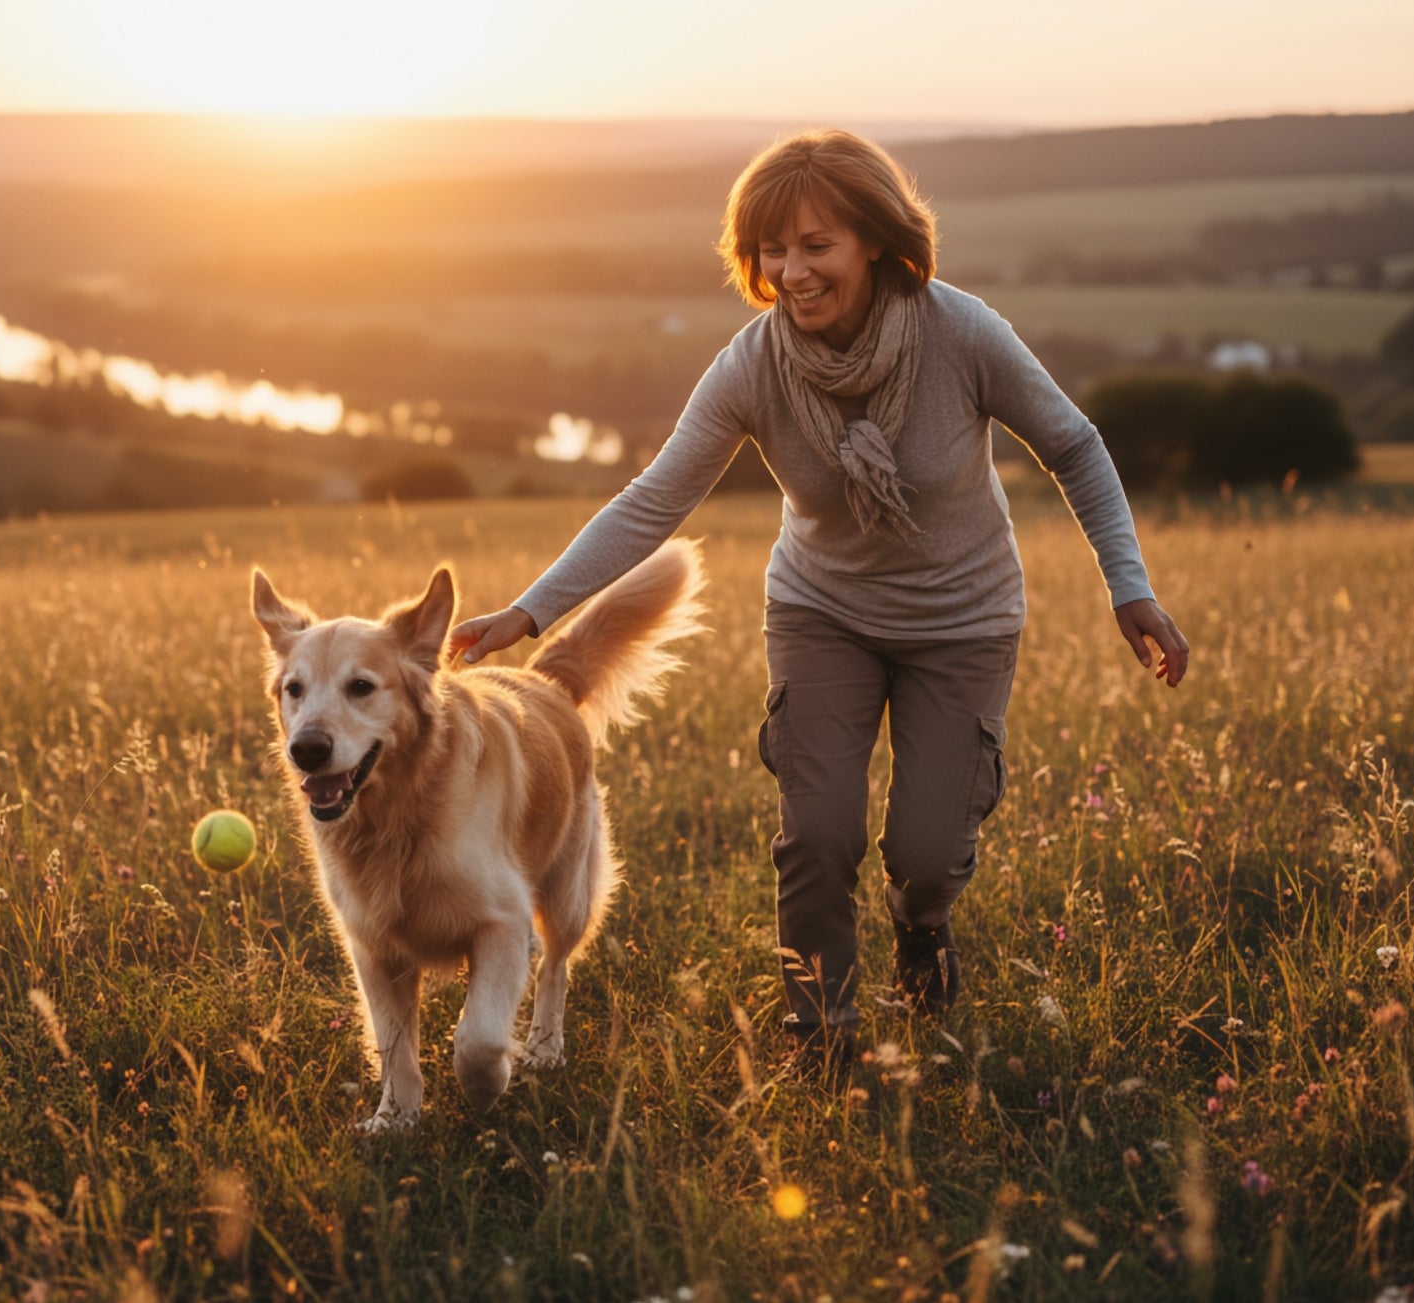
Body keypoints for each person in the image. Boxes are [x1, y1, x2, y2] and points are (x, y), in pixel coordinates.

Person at [445, 129, 1188, 1061]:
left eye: (815, 245)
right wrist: (531, 610)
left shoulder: (960, 333)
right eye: (771, 249)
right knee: (820, 831)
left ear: (876, 240)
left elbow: (1075, 445)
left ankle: (921, 929)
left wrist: (1130, 585)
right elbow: (655, 498)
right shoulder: (753, 366)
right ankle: (822, 1034)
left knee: (924, 854)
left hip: (962, 622)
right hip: (822, 613)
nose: (791, 272)